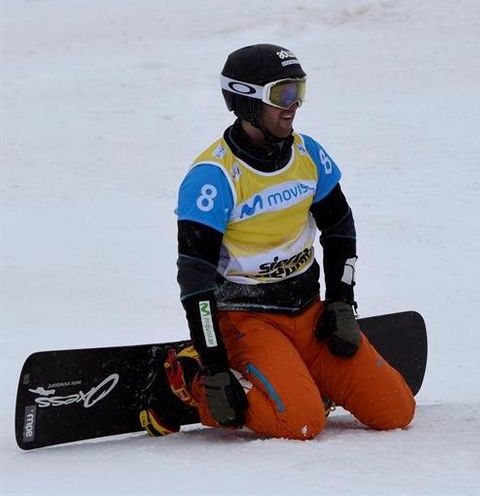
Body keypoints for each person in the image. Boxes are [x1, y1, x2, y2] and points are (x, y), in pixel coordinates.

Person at [140, 43, 415, 440]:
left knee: (396, 412)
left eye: (299, 91)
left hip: (308, 311)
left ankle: (297, 375)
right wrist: (215, 365)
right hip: (246, 319)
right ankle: (188, 378)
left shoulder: (307, 154)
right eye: (282, 94)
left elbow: (340, 229)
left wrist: (339, 300)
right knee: (301, 424)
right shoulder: (212, 178)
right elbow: (195, 283)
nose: (294, 105)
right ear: (246, 100)